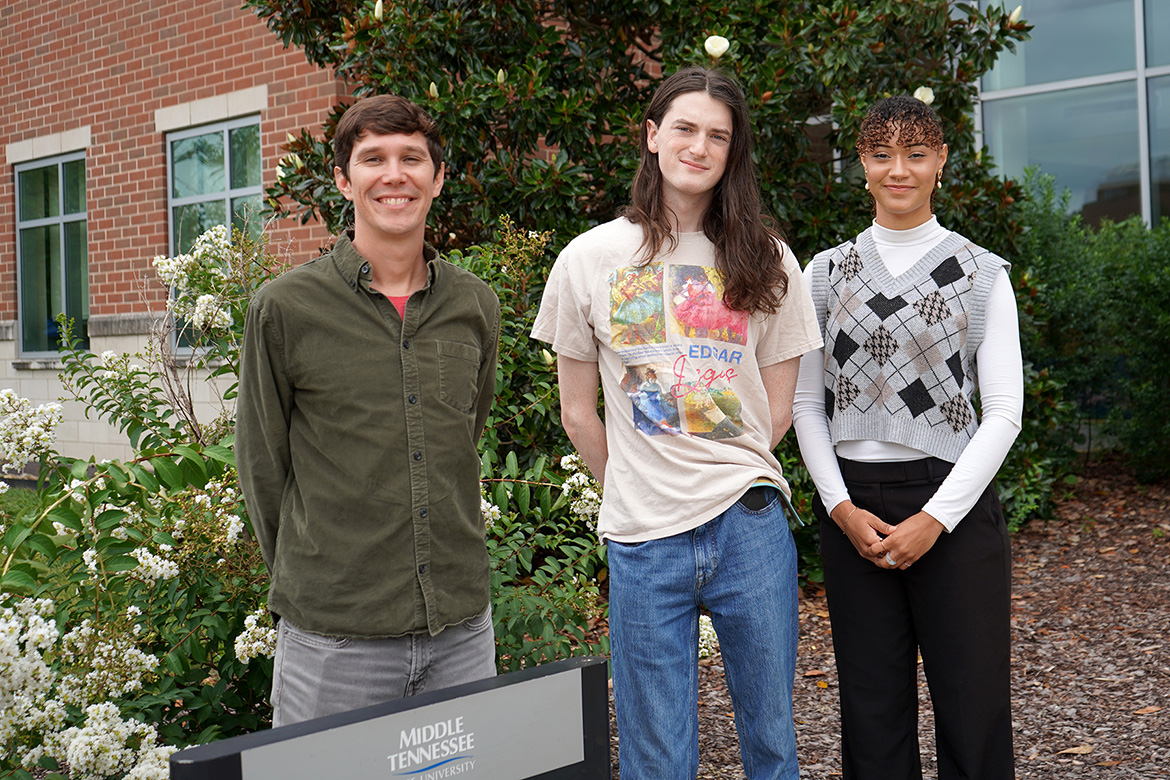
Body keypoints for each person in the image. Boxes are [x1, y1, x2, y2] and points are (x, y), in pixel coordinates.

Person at [532, 67, 822, 780]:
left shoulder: (766, 258)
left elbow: (776, 409)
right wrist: (634, 480)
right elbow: (577, 411)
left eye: (718, 136)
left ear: (732, 153)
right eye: (686, 128)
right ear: (654, 135)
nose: (700, 146)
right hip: (642, 539)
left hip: (749, 525)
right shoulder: (589, 258)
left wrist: (715, 470)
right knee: (655, 753)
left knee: (772, 741)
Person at [237, 94, 500, 727]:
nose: (394, 174)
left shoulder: (475, 305)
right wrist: (323, 577)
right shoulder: (285, 309)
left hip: (461, 633)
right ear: (342, 179)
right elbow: (262, 467)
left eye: (412, 158)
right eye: (372, 157)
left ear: (437, 179)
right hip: (335, 640)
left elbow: (466, 434)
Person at [792, 95, 1023, 779]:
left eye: (916, 154)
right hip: (853, 506)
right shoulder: (826, 273)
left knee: (972, 706)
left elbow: (1004, 412)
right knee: (871, 711)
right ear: (860, 162)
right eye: (882, 154)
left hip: (950, 505)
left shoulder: (981, 274)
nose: (900, 170)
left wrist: (935, 519)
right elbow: (808, 404)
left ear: (941, 161)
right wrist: (838, 506)